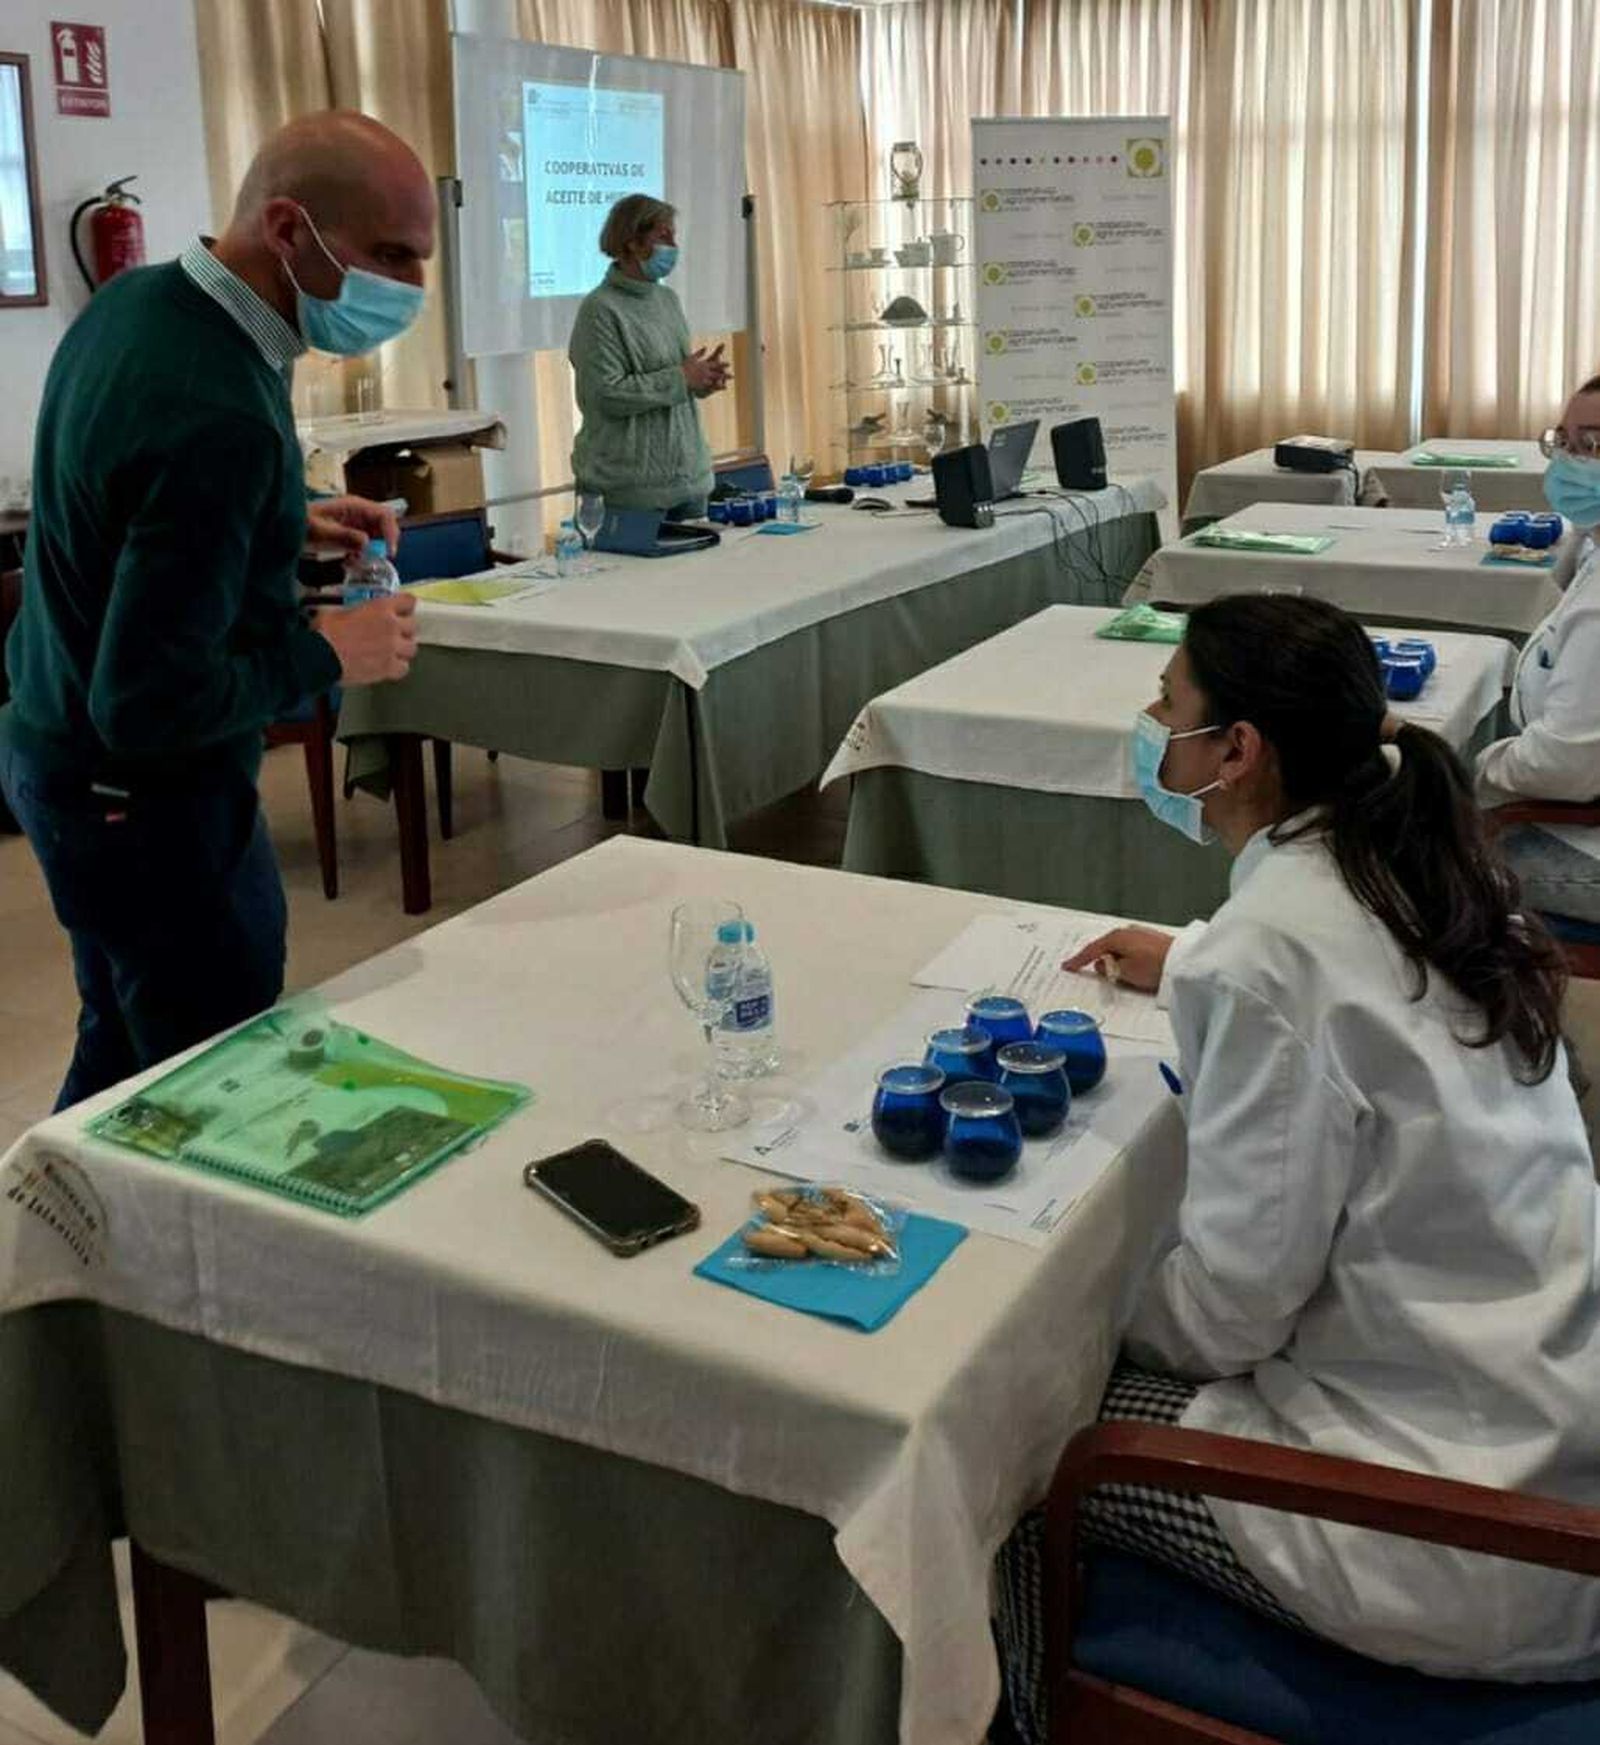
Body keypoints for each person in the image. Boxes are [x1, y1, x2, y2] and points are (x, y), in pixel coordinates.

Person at [995, 594, 1600, 1741]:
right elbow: (1358, 1006)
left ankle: (1024, 1720)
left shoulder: (1272, 950)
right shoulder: (1414, 862)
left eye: (1164, 708)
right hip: (1551, 1420)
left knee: (1020, 1451)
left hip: (1448, 1520)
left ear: (1237, 749)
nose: (1148, 726)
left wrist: (1082, 1305)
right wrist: (1195, 963)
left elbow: (1227, 1317)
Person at [0, 111, 434, 1110]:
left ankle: (55, 1251)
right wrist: (331, 651)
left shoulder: (141, 304)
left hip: (52, 757)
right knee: (205, 1084)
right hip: (144, 804)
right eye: (391, 254)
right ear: (287, 227)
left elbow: (120, 510)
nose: (411, 289)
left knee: (121, 1049)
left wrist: (285, 515)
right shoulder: (217, 406)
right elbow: (148, 700)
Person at [1476, 374, 1600, 923]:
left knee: (1410, 864)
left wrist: (1474, 769)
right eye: (1565, 442)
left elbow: (1564, 767)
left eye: (1593, 444)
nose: (1571, 462)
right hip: (1578, 807)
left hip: (1585, 840)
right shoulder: (1592, 551)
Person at [568, 194, 730, 520]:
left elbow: (676, 379)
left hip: (689, 482)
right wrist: (682, 378)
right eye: (663, 236)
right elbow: (605, 395)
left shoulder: (667, 299)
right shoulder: (600, 309)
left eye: (673, 235)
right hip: (627, 492)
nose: (673, 244)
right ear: (631, 243)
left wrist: (702, 379)